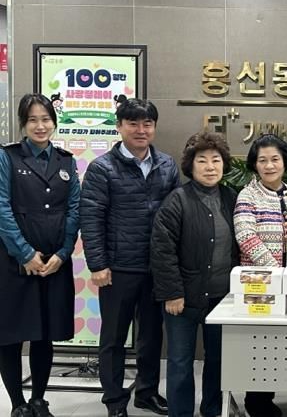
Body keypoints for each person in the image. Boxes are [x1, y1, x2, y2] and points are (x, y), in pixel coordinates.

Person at [80, 98, 180, 417]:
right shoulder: (102, 168)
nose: (141, 130)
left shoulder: (167, 165)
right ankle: (114, 401)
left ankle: (146, 393)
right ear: (119, 126)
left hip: (155, 267)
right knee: (113, 339)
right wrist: (98, 264)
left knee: (151, 336)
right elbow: (91, 217)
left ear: (154, 127)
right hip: (118, 267)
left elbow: (177, 216)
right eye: (133, 123)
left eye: (147, 123)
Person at [0, 93, 80, 417]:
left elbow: (74, 209)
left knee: (45, 334)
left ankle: (38, 400)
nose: (40, 126)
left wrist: (63, 252)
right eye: (32, 120)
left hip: (54, 263)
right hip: (13, 263)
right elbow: (2, 208)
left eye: (45, 119)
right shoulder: (7, 157)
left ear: (54, 122)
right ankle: (18, 404)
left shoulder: (66, 161)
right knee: (10, 335)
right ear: (23, 123)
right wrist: (24, 253)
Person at [151, 131, 238, 417]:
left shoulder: (231, 198)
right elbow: (162, 250)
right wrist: (172, 293)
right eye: (202, 160)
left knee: (218, 360)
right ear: (191, 165)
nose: (210, 167)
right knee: (180, 361)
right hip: (183, 299)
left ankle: (212, 408)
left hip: (222, 299)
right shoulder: (177, 200)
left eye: (216, 160)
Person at [234, 134, 287, 417]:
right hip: (260, 283)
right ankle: (256, 401)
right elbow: (246, 237)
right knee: (260, 344)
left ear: (285, 161)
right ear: (254, 164)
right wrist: (276, 271)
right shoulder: (248, 195)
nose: (269, 166)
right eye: (263, 160)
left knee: (279, 343)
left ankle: (267, 397)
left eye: (275, 159)